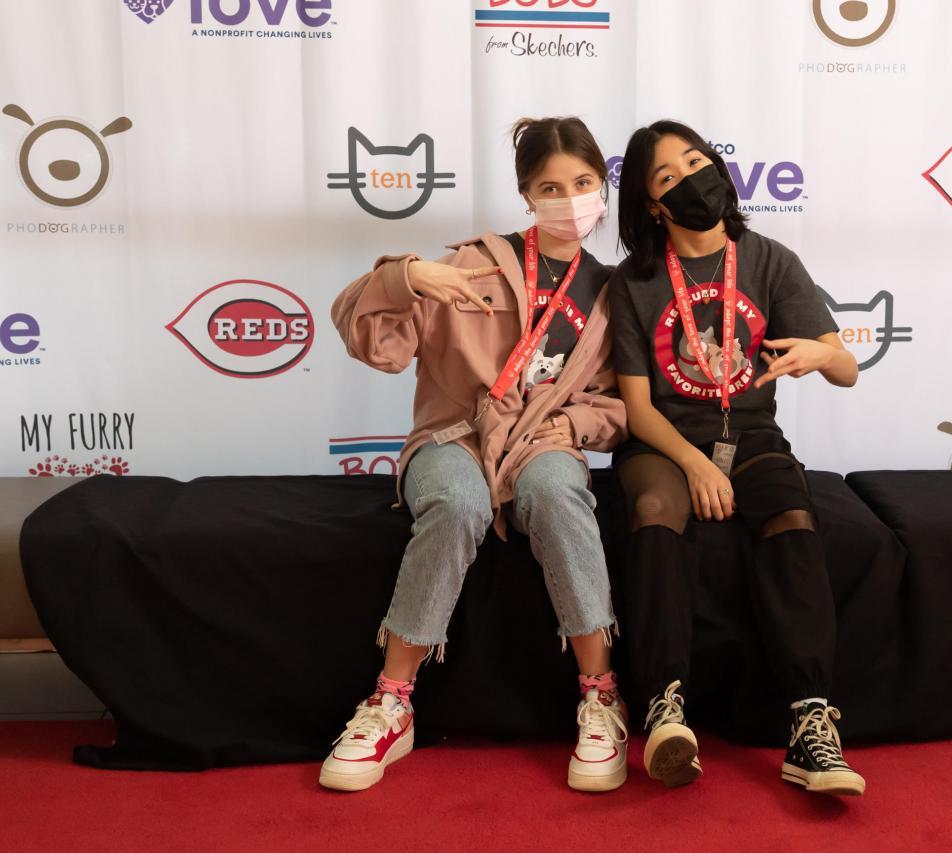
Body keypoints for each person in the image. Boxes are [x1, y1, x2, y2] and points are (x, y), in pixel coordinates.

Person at [323, 116, 628, 793]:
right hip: (451, 437)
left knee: (558, 492)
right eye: (551, 187)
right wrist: (406, 278)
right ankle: (392, 703)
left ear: (602, 187)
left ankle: (601, 695)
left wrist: (575, 424)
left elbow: (619, 403)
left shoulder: (610, 291)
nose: (570, 200)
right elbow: (373, 344)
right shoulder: (473, 263)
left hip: (541, 443)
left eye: (583, 183)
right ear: (526, 195)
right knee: (457, 501)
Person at [608, 119, 864, 797]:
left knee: (789, 510)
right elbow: (638, 409)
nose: (692, 180)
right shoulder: (634, 281)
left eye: (697, 162)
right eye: (668, 176)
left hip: (750, 436)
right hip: (661, 441)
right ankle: (664, 707)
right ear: (652, 204)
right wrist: (694, 463)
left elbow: (847, 369)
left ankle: (810, 721)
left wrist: (820, 354)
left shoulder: (769, 259)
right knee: (655, 506)